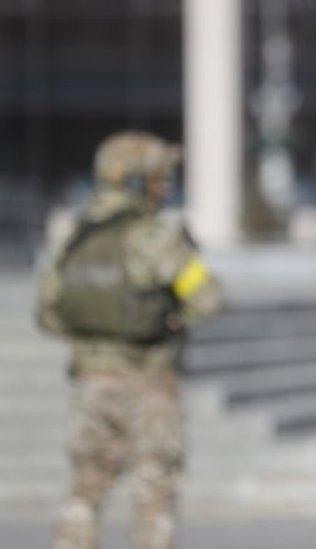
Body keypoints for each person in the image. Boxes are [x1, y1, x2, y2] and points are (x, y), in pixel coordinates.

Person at [37, 130, 224, 549]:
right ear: (139, 181)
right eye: (161, 177)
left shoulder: (75, 236)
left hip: (89, 382)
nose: (166, 186)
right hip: (149, 384)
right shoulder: (154, 235)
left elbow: (48, 314)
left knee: (85, 491)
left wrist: (91, 342)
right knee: (154, 494)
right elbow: (209, 298)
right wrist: (175, 317)